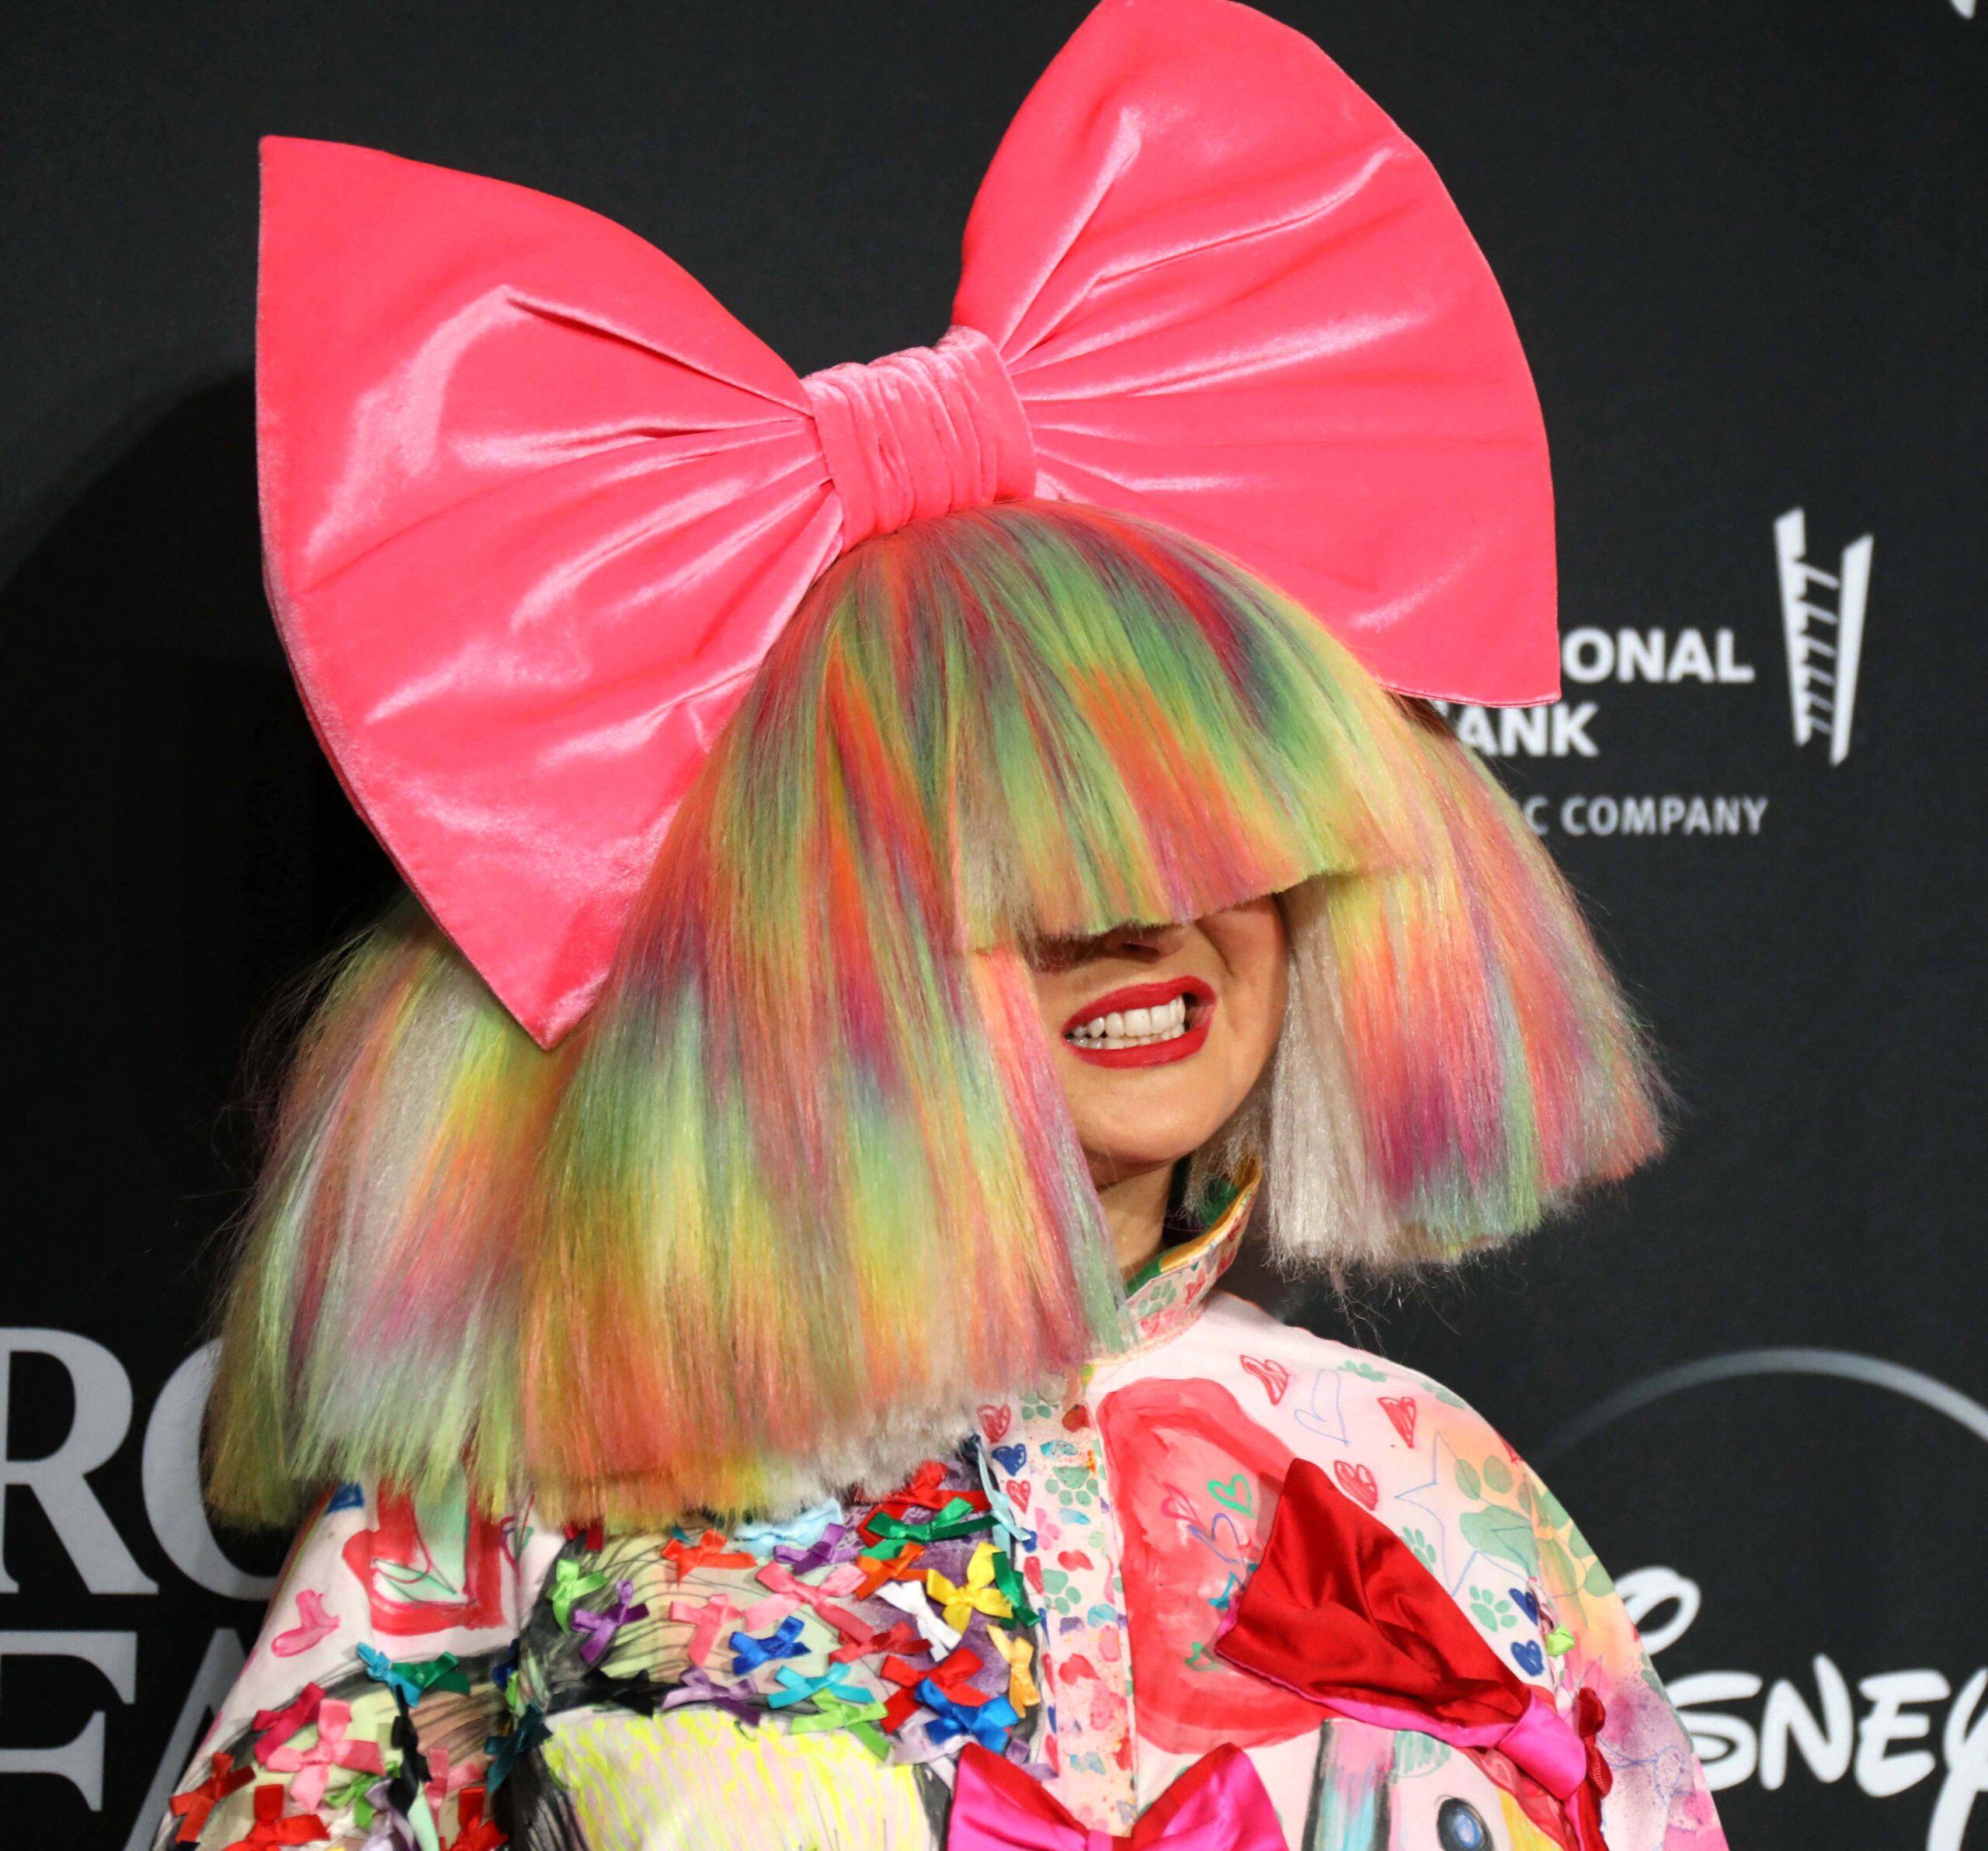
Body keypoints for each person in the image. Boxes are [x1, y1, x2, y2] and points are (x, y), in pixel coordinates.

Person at [157, 4, 1728, 1847]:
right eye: (1016, 863)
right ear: (815, 950)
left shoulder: (1430, 1491)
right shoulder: (519, 1499)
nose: (1134, 919)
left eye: (1200, 826)